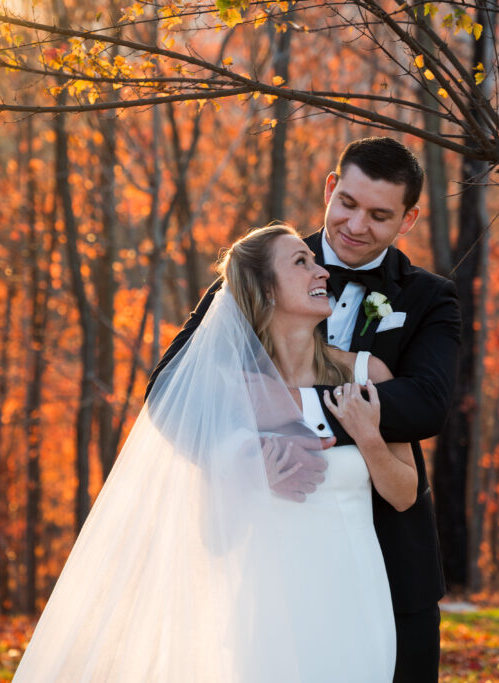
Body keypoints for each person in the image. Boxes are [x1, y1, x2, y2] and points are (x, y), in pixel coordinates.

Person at [13, 224, 416, 681]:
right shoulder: (230, 394)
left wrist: (367, 436)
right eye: (301, 262)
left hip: (354, 603)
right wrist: (246, 473)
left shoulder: (369, 375)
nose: (321, 269)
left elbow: (404, 494)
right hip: (264, 617)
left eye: (313, 259)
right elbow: (213, 540)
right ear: (265, 291)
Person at [147, 137, 461, 681]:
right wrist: (242, 459)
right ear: (330, 188)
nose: (357, 225)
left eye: (380, 215)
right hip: (273, 565)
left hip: (391, 565)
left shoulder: (429, 298)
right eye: (348, 204)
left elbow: (425, 406)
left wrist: (298, 405)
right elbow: (170, 392)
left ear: (407, 221)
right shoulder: (261, 270)